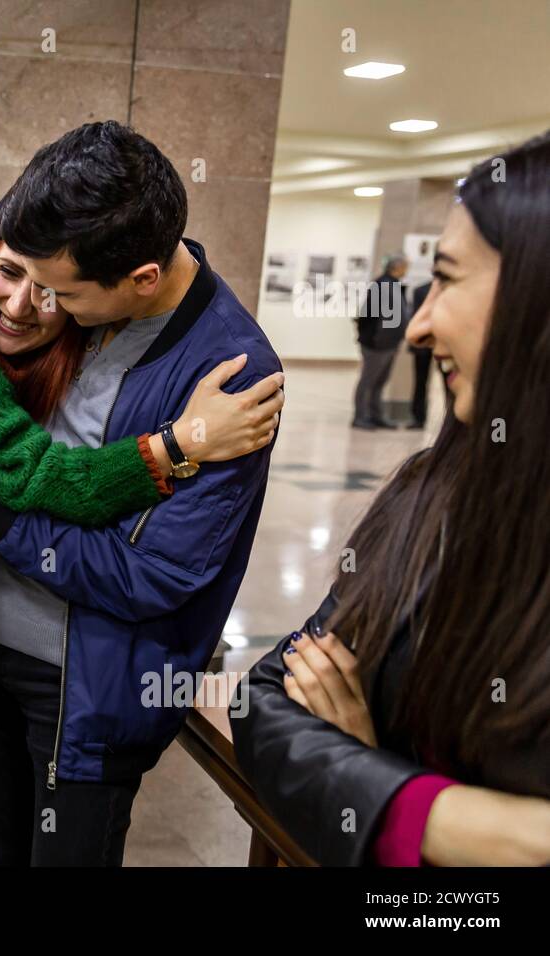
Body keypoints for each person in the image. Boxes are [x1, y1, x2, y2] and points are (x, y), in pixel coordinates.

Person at [0, 181, 284, 865]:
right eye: (11, 271)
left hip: (80, 684)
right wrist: (177, 444)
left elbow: (152, 571)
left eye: (53, 290)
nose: (26, 303)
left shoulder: (226, 367)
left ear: (135, 278)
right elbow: (42, 474)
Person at [231, 131, 550, 867]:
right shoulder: (432, 489)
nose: (420, 323)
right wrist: (421, 805)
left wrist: (360, 778)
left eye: (447, 279)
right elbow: (271, 693)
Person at [352, 254, 408, 429]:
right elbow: (367, 315)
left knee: (380, 382)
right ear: (396, 267)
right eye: (405, 266)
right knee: (368, 381)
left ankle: (376, 415)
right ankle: (360, 417)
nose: (407, 270)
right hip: (376, 344)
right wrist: (374, 339)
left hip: (390, 343)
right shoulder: (382, 284)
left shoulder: (394, 284)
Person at [407, 279, 433, 428]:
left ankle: (452, 421)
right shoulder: (420, 290)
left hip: (444, 340)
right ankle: (418, 417)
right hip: (423, 345)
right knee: (420, 381)